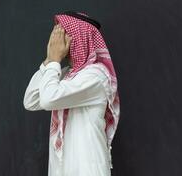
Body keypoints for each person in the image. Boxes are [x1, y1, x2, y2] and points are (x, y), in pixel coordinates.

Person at [23, 11, 120, 176]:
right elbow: (31, 101)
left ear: (79, 39)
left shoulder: (96, 77)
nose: (56, 41)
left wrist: (54, 61)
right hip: (63, 168)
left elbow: (49, 99)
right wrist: (48, 61)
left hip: (88, 169)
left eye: (62, 34)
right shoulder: (65, 74)